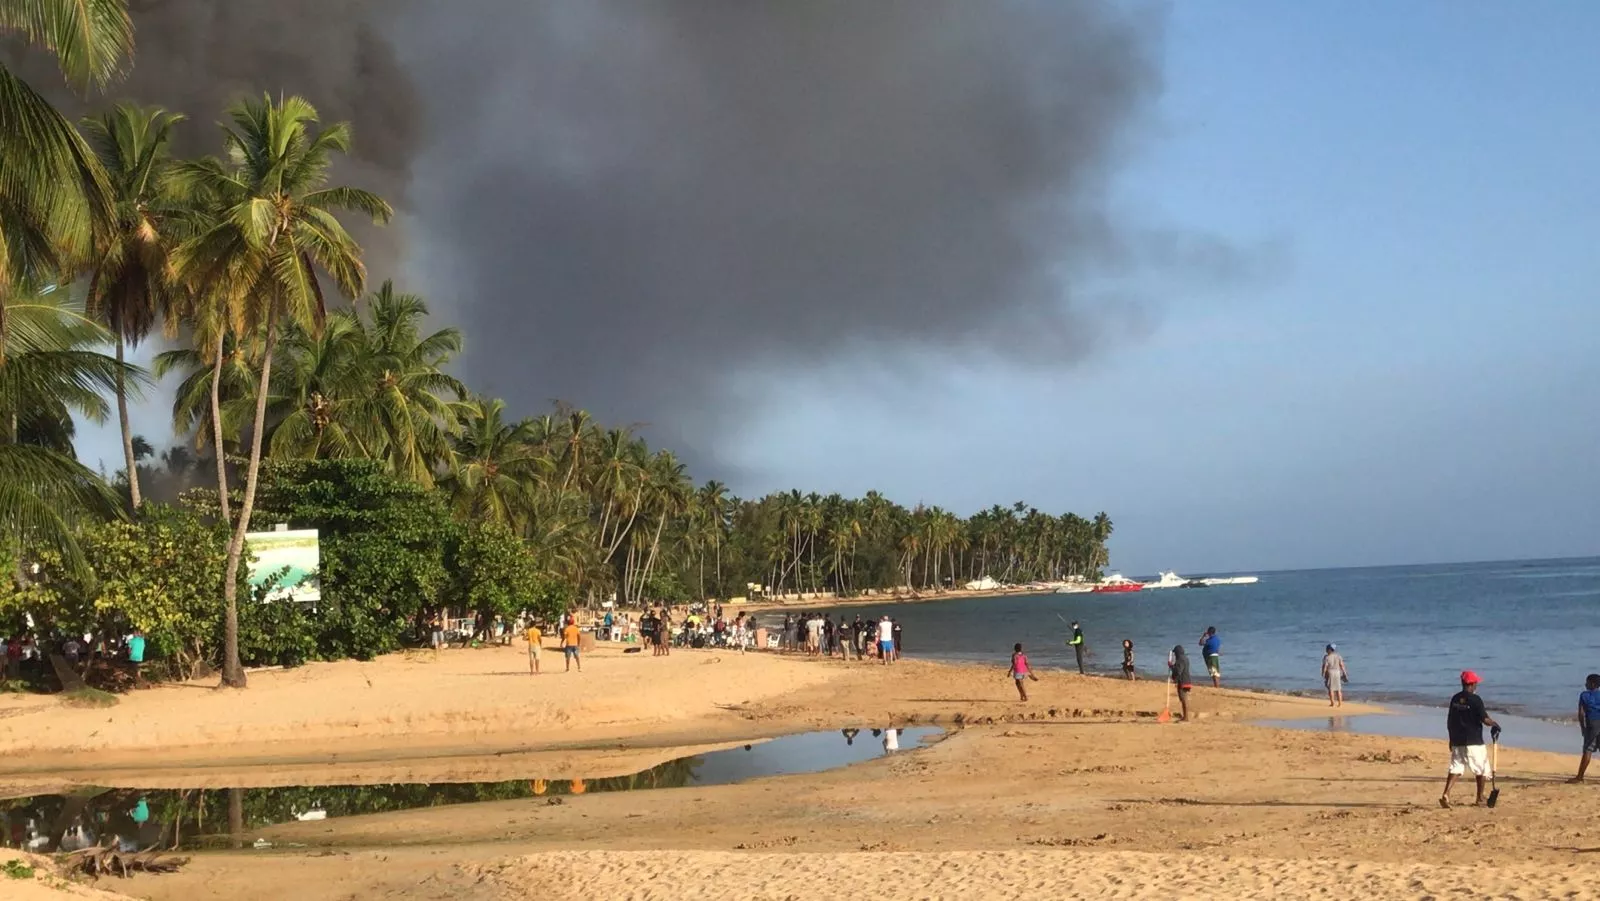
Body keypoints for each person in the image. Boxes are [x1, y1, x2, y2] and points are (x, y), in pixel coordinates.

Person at [1441, 670, 1500, 808]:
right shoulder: (1475, 700)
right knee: (1481, 769)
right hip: (1473, 741)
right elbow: (1485, 719)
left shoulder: (1455, 699)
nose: (1476, 686)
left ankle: (1446, 794)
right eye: (1476, 683)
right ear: (1472, 684)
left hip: (1457, 739)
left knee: (1456, 767)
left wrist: (1451, 739)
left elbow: (1450, 720)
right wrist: (1495, 724)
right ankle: (1479, 798)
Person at [1569, 673, 1600, 783]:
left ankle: (1580, 777)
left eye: (1587, 682)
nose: (1585, 684)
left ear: (1592, 684)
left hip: (1592, 724)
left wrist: (1582, 727)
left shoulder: (1584, 695)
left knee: (1588, 750)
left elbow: (1581, 713)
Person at [1168, 645, 1192, 721]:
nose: (1175, 655)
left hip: (1183, 682)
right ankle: (1185, 716)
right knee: (1184, 699)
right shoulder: (1185, 658)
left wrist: (1171, 667)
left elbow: (1178, 671)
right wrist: (1172, 666)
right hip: (1187, 681)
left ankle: (1186, 717)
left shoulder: (1180, 660)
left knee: (1183, 699)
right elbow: (1178, 668)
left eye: (1175, 653)